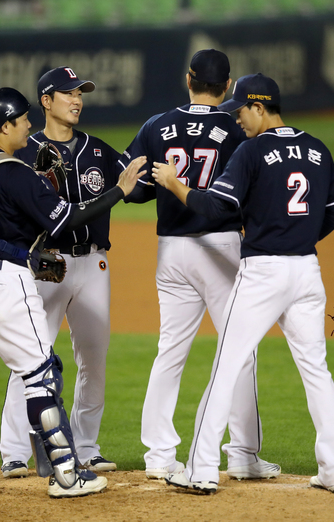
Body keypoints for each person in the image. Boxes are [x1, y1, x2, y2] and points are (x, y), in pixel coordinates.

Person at [0, 87, 146, 499]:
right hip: (6, 285)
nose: (30, 125)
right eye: (22, 121)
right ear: (4, 127)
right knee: (41, 375)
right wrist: (119, 191)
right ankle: (67, 474)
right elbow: (66, 220)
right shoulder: (16, 173)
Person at [153, 73, 334, 494]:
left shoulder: (252, 150)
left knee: (227, 366)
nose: (236, 118)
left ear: (260, 107)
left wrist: (174, 184)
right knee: (317, 372)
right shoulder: (318, 148)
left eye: (240, 110)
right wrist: (298, 236)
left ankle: (201, 469)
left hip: (263, 273)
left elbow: (211, 205)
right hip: (307, 272)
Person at [120, 49, 279, 481]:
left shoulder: (156, 125)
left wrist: (165, 183)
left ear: (187, 79)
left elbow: (132, 187)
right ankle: (243, 454)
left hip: (171, 251)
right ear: (228, 87)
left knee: (169, 351)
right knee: (240, 350)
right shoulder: (236, 125)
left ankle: (158, 456)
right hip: (221, 247)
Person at [0, 66, 123, 478]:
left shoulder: (101, 151)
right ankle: (14, 452)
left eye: (81, 93)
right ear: (46, 101)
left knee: (94, 358)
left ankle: (86, 445)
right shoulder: (22, 150)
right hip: (43, 265)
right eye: (68, 93)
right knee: (31, 356)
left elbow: (138, 186)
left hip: (93, 263)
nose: (77, 99)